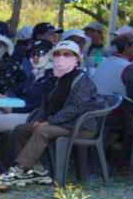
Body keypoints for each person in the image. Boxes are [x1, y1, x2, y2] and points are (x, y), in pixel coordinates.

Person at [7, 41, 103, 179]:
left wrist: (49, 122)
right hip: (58, 124)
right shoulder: (53, 79)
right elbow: (45, 105)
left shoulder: (84, 81)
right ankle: (37, 169)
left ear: (76, 59)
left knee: (42, 131)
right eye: (58, 54)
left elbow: (75, 109)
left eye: (67, 54)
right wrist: (38, 120)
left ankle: (20, 169)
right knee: (21, 129)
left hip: (80, 126)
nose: (61, 57)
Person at [90, 33, 133, 100]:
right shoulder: (129, 67)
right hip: (113, 109)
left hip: (94, 107)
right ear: (127, 47)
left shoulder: (103, 62)